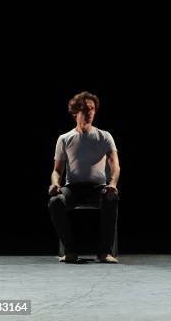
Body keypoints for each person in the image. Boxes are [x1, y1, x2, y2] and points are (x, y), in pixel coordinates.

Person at [47, 91, 121, 264]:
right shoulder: (64, 139)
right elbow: (57, 170)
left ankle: (105, 252)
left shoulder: (104, 136)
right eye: (85, 109)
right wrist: (54, 184)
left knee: (111, 198)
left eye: (92, 109)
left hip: (98, 188)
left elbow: (115, 165)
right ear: (75, 112)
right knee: (55, 201)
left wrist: (113, 184)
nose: (90, 113)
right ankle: (70, 251)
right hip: (73, 188)